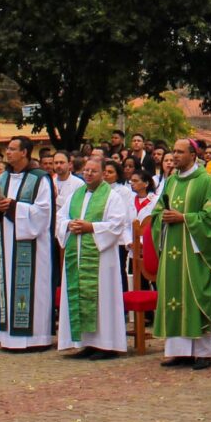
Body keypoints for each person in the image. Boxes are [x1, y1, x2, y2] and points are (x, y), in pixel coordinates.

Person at [152, 140, 211, 369]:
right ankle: (178, 351)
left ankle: (203, 352)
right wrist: (161, 217)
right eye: (173, 151)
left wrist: (184, 218)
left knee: (197, 294)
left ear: (193, 155)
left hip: (196, 250)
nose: (174, 156)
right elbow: (157, 210)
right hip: (172, 246)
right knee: (173, 296)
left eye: (180, 152)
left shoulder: (205, 181)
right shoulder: (171, 181)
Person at [58, 152, 132, 359]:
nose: (89, 174)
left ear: (103, 174)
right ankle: (86, 343)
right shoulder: (76, 195)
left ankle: (107, 345)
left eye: (94, 171)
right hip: (77, 255)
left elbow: (118, 224)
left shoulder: (112, 196)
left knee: (103, 298)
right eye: (86, 171)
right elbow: (60, 216)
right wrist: (68, 225)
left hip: (101, 258)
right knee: (80, 296)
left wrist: (91, 227)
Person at [0, 136, 56, 351]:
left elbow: (43, 212)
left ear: (24, 152)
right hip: (6, 242)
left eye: (12, 149)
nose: (8, 153)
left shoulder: (40, 179)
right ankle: (7, 335)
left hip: (31, 245)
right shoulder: (3, 178)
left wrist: (15, 207)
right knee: (7, 284)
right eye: (7, 148)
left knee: (31, 286)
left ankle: (35, 338)